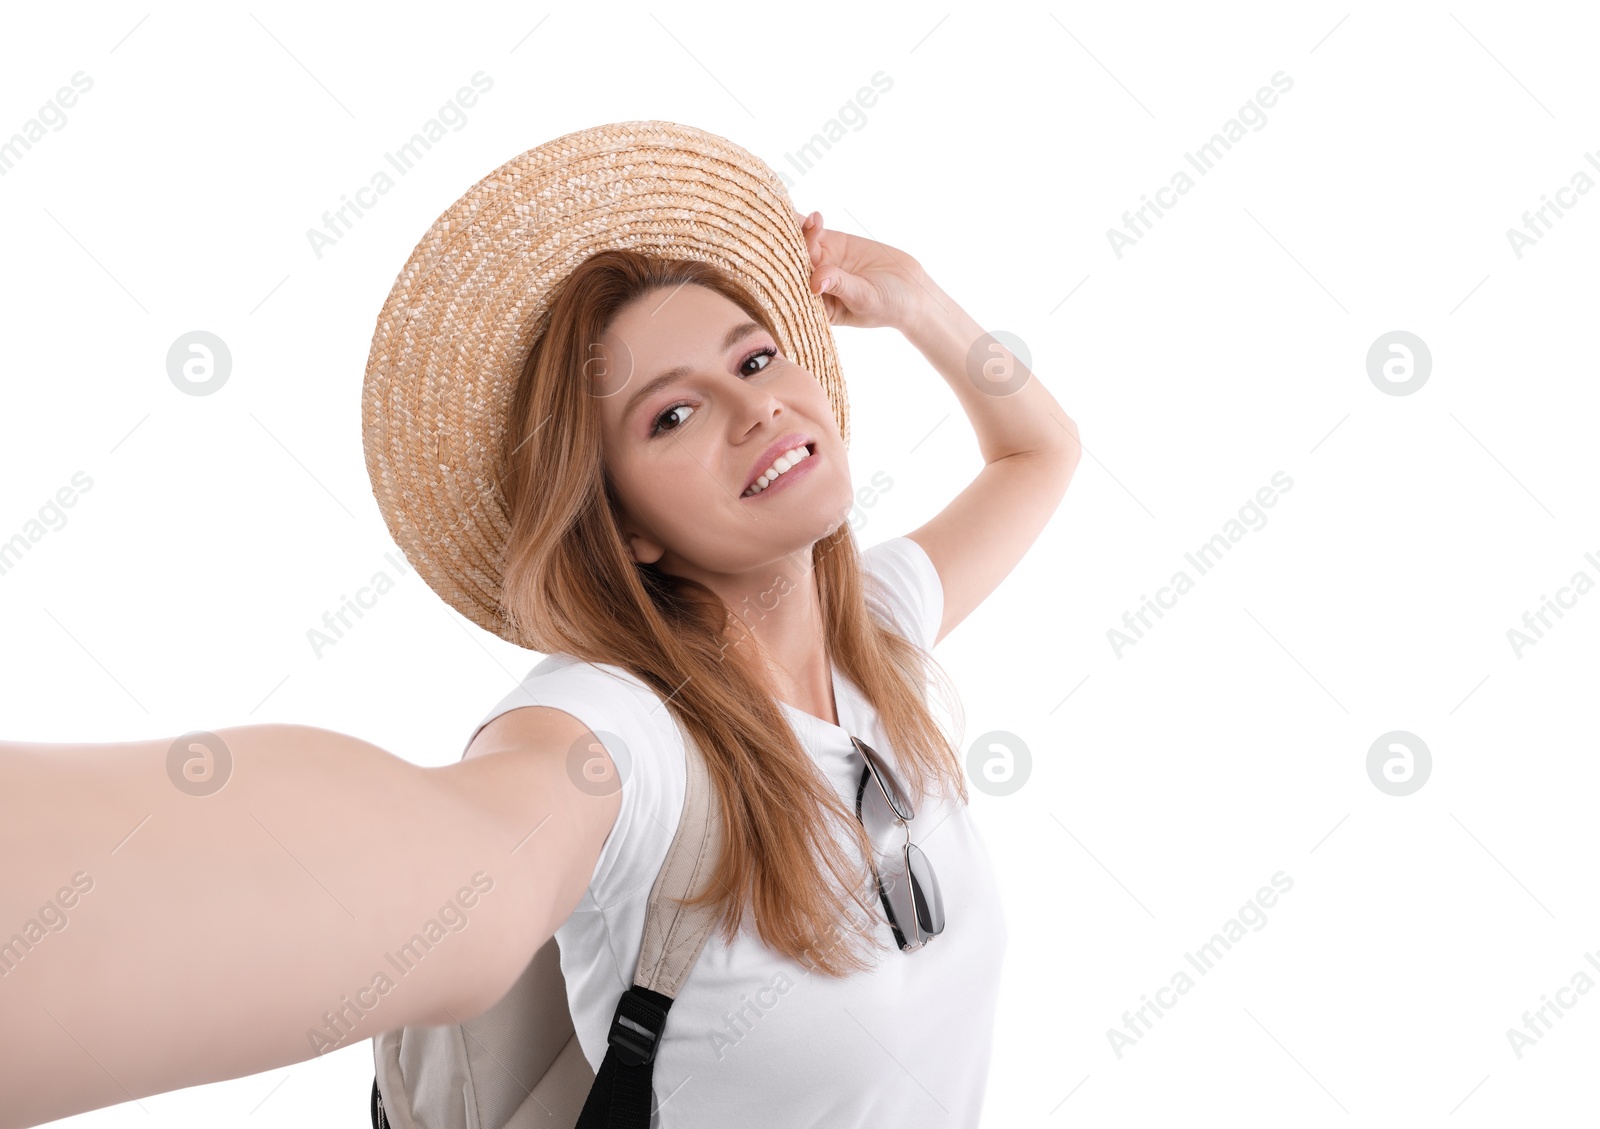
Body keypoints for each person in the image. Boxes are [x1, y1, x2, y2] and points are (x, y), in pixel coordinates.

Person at [1, 123, 1081, 1129]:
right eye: (673, 412)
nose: (756, 407)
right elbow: (455, 857)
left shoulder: (878, 631)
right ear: (627, 529)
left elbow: (1039, 452)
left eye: (754, 358)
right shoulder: (625, 734)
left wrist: (918, 300)